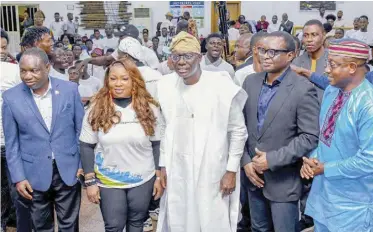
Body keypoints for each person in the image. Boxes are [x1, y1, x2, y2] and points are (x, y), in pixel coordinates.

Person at [156, 31, 248, 232]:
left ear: (199, 57)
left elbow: (238, 131)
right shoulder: (165, 86)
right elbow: (164, 128)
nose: (181, 62)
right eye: (176, 56)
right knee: (179, 215)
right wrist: (163, 166)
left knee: (211, 218)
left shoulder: (221, 85)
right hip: (178, 168)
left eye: (187, 56)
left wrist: (231, 170)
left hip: (212, 169)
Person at [241, 31, 320, 232]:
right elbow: (240, 128)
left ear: (291, 55)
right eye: (262, 50)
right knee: (258, 228)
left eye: (274, 52)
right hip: (253, 177)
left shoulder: (302, 89)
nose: (266, 56)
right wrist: (246, 162)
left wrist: (272, 159)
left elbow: (310, 136)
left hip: (283, 180)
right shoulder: (250, 82)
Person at [2, 47, 84, 232]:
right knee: (40, 226)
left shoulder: (69, 90)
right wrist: (18, 177)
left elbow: (81, 131)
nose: (27, 76)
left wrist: (82, 165)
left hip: (68, 170)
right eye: (23, 71)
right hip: (33, 175)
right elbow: (12, 144)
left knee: (69, 226)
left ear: (47, 67)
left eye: (33, 70)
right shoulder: (10, 97)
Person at [302, 38, 373, 232]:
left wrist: (325, 168)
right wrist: (312, 160)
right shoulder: (331, 91)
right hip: (324, 196)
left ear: (352, 67)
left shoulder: (371, 105)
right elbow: (326, 139)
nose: (326, 70)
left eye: (332, 64)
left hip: (354, 205)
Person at [79, 58, 163, 232]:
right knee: (114, 225)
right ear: (107, 80)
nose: (118, 84)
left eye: (125, 79)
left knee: (136, 222)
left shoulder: (149, 108)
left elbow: (156, 144)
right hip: (109, 179)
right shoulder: (95, 108)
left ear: (134, 80)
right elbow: (86, 145)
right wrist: (90, 181)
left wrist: (159, 176)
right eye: (113, 78)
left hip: (143, 177)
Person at [0, 28, 21, 232]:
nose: (1, 51)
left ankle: (15, 224)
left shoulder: (14, 72)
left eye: (4, 47)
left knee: (16, 187)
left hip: (12, 142)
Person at [292, 20, 328, 101]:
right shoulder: (297, 63)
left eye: (314, 35)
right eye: (305, 35)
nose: (309, 39)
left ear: (324, 35)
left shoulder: (333, 61)